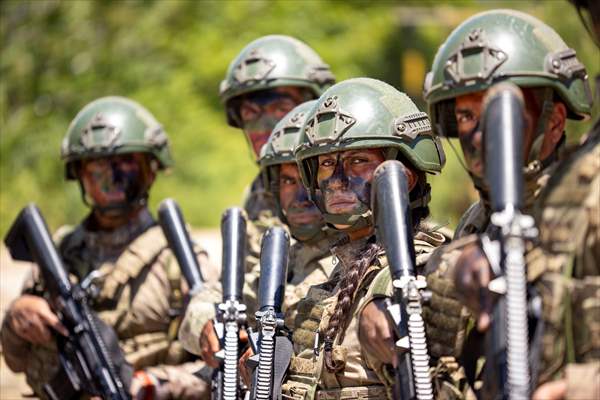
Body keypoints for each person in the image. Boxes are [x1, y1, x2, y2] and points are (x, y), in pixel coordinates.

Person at [419, 8, 595, 399]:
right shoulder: (473, 223)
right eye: (465, 115)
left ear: (553, 123)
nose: (479, 135)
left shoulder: (588, 205)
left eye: (499, 113)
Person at [0, 96, 219, 399]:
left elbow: (219, 370)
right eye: (97, 165)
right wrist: (17, 317)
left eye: (127, 163)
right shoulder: (59, 253)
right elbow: (15, 361)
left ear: (152, 170)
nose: (112, 176)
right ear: (78, 174)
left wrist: (144, 386)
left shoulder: (179, 259)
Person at [281, 77, 448, 399]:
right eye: (327, 163)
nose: (337, 180)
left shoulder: (422, 272)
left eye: (358, 161)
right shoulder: (344, 271)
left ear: (407, 178)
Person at [178, 100, 339, 376]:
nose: (299, 198)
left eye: (308, 179)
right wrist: (206, 323)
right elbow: (213, 297)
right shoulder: (290, 253)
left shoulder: (363, 254)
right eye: (288, 181)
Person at [218, 34, 335, 221]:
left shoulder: (344, 183)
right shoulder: (258, 194)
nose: (264, 127)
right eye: (251, 112)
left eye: (281, 109)